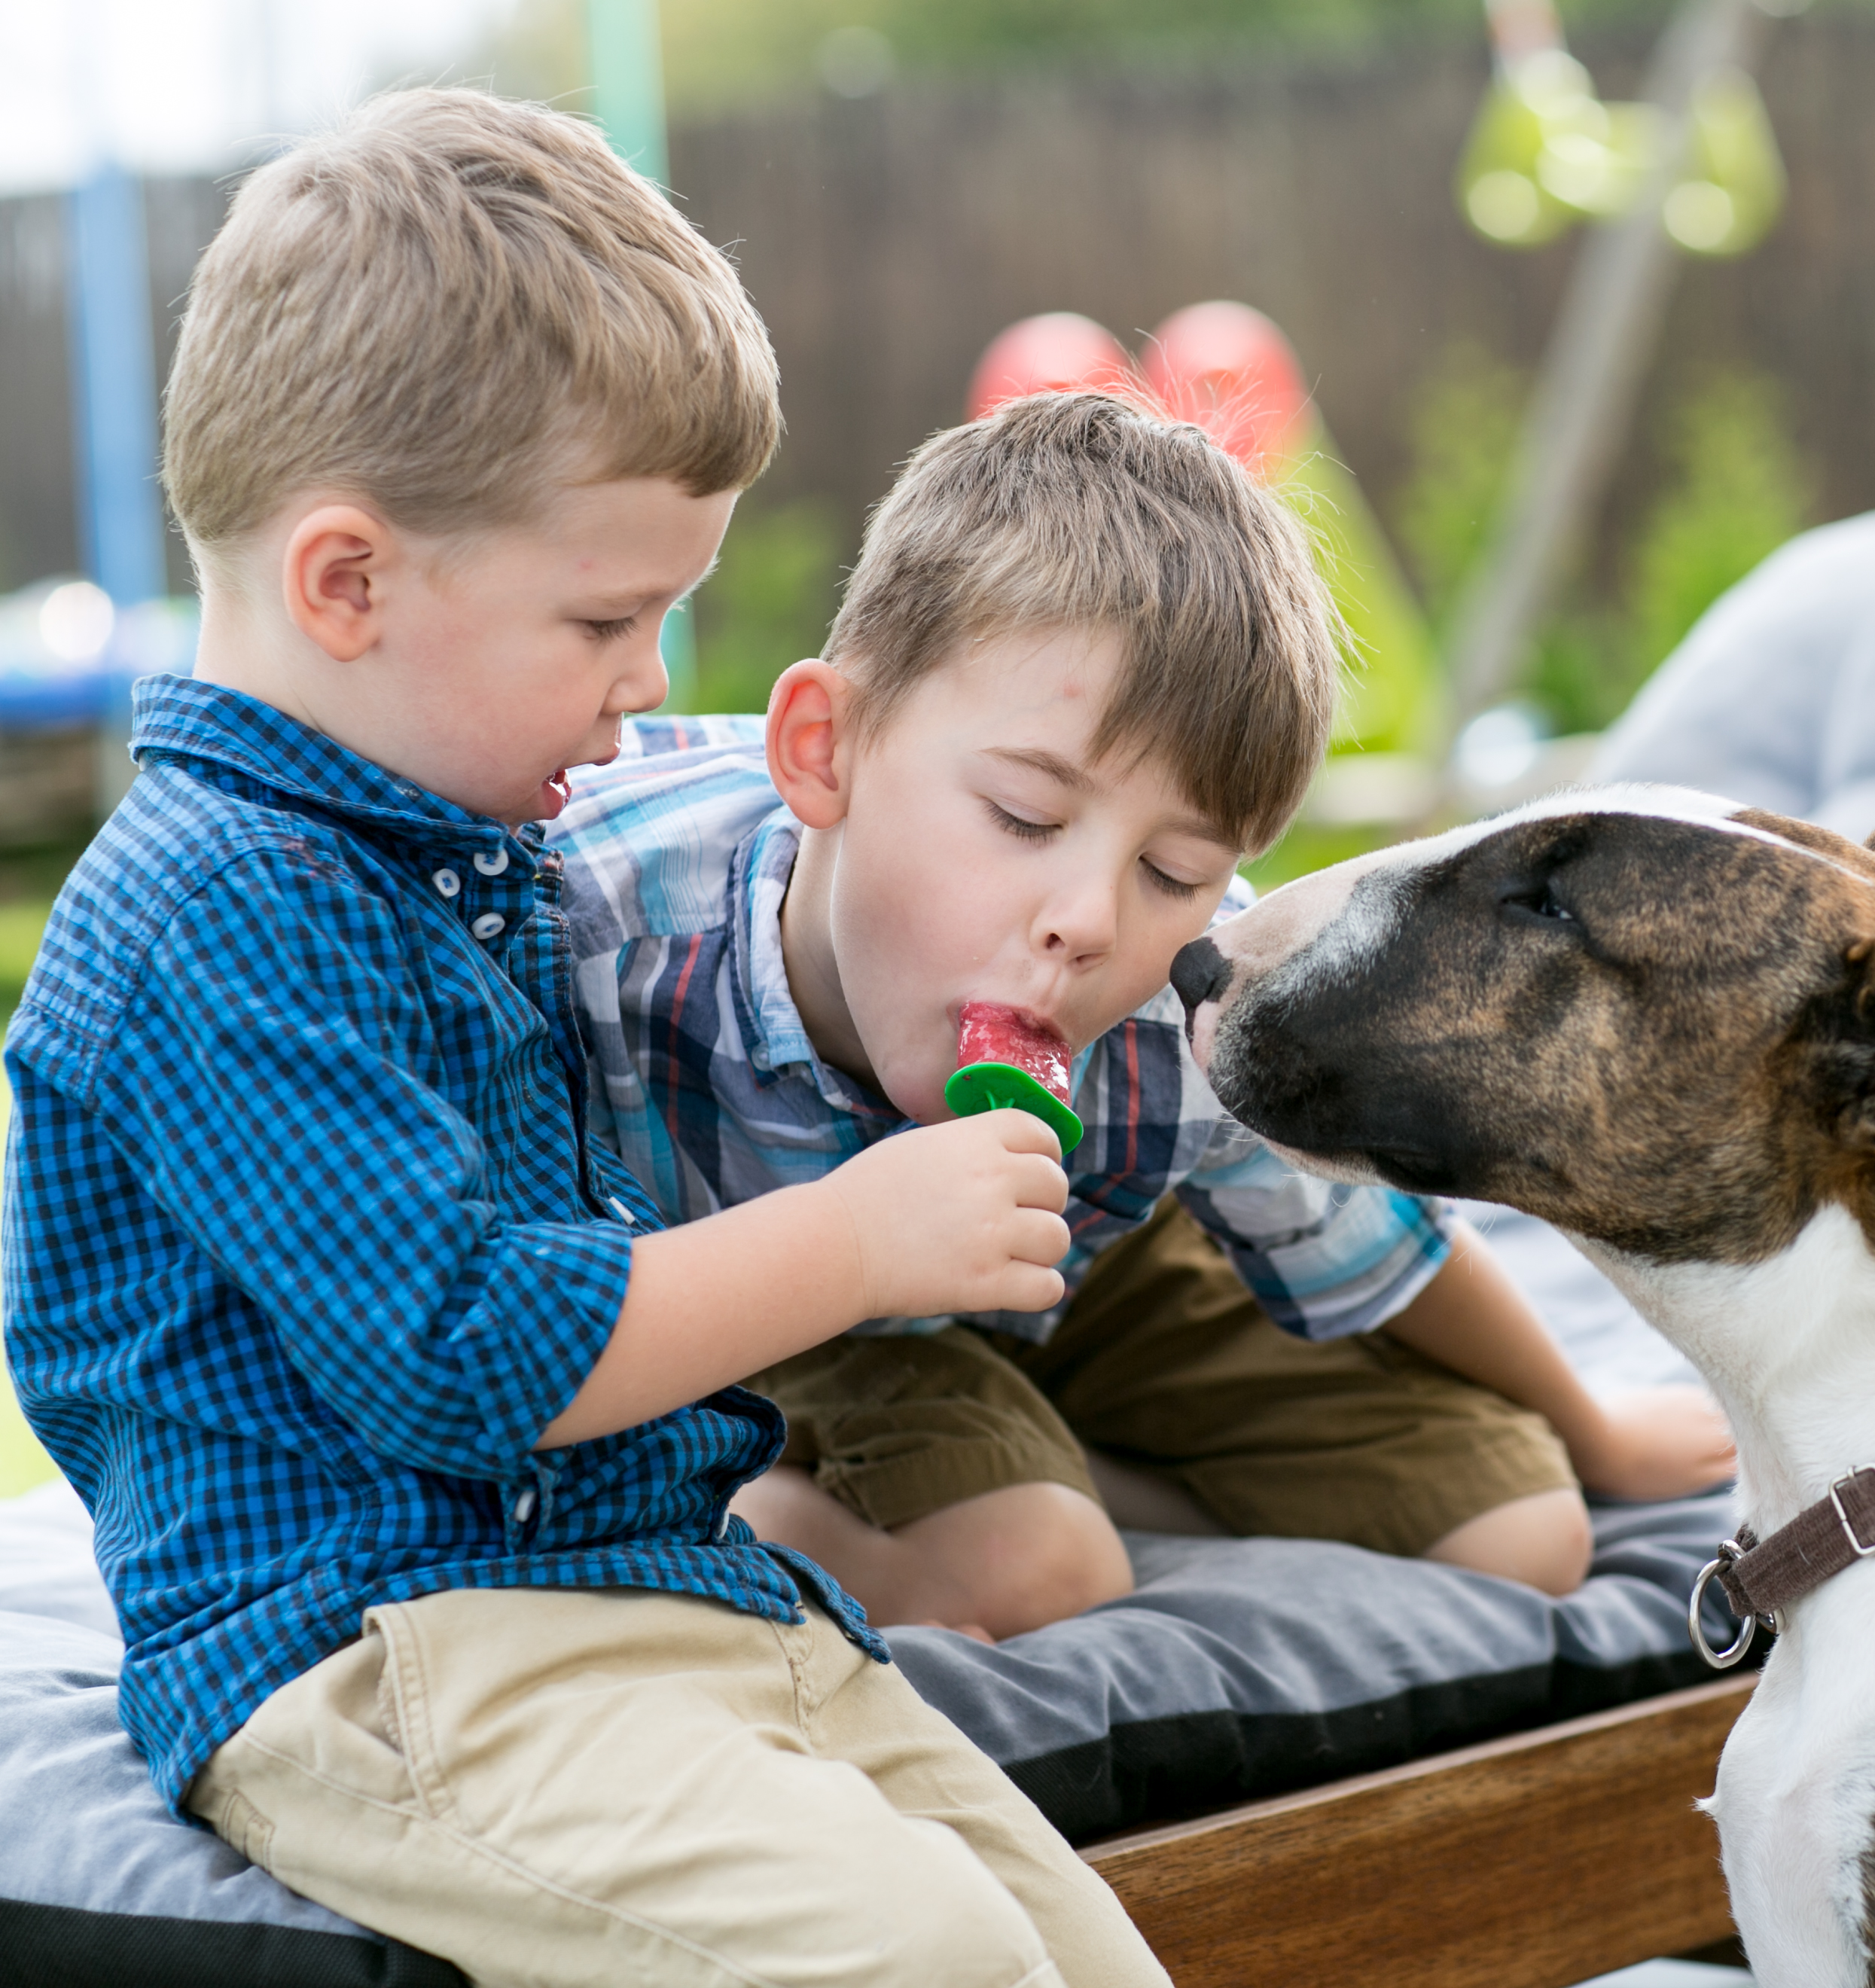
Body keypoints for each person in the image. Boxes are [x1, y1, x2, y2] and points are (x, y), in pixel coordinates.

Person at [1, 90, 1169, 1986]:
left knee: (1084, 1959)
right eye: (611, 620)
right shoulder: (203, 909)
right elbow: (463, 1352)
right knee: (925, 1964)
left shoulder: (465, 847)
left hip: (658, 1597)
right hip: (385, 1649)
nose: (646, 692)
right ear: (349, 584)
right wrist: (863, 1233)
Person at [552, 389, 1735, 1644]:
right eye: (1023, 817)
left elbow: (1382, 1253)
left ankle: (1063, 1456)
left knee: (1520, 1533)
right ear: (824, 752)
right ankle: (774, 1512)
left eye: (1172, 874)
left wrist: (1593, 1431)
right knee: (1035, 1572)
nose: (1089, 922)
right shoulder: (590, 921)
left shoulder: (1188, 997)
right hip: (775, 1284)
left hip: (1078, 1270)